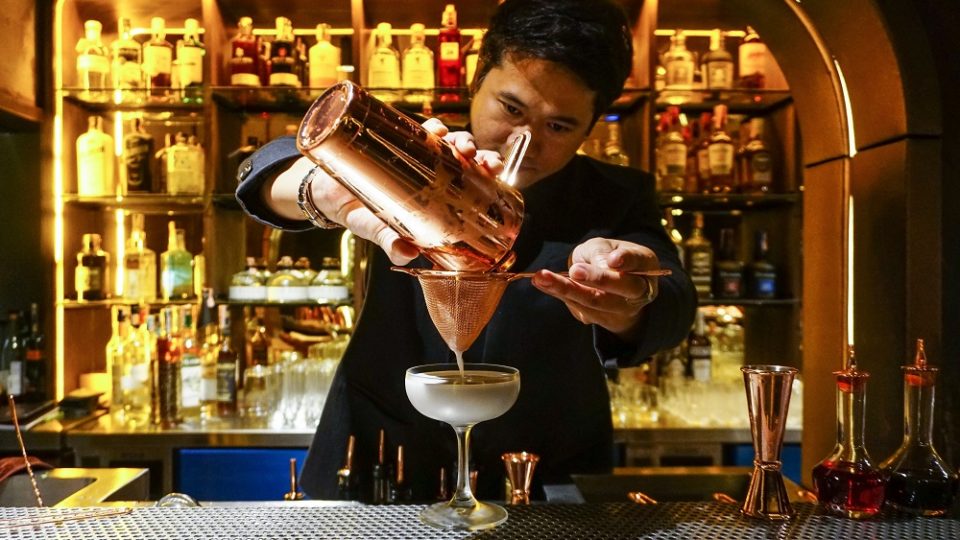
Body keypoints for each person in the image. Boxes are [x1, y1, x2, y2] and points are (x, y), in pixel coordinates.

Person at [236, 0, 696, 501]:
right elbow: (263, 168)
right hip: (380, 459)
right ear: (477, 81)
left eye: (558, 127)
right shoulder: (417, 154)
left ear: (590, 128)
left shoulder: (615, 197)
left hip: (543, 476)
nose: (525, 143)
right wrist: (320, 190)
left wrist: (630, 296)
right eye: (512, 109)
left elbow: (672, 301)